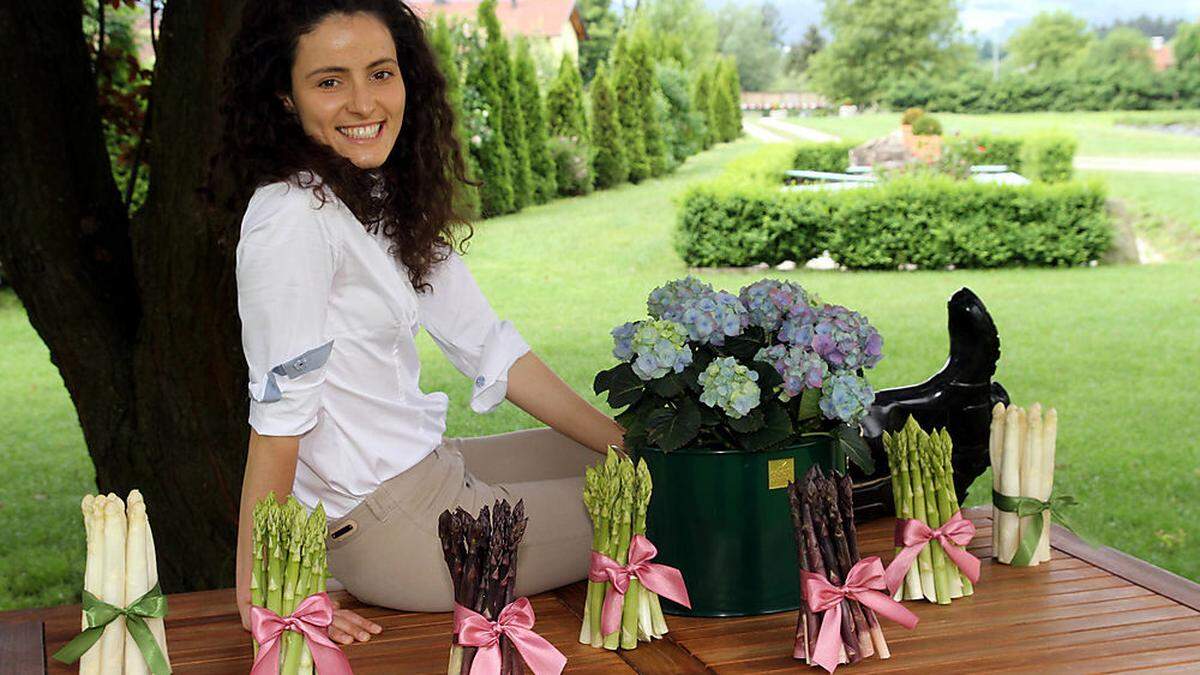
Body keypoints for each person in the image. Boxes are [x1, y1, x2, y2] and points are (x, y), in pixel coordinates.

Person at [211, 0, 624, 646]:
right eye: (329, 81)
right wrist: (264, 593)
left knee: (626, 459)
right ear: (284, 97)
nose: (363, 102)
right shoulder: (291, 219)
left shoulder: (379, 195)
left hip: (432, 470)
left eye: (380, 73)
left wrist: (624, 438)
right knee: (659, 499)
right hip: (398, 532)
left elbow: (491, 347)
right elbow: (276, 422)